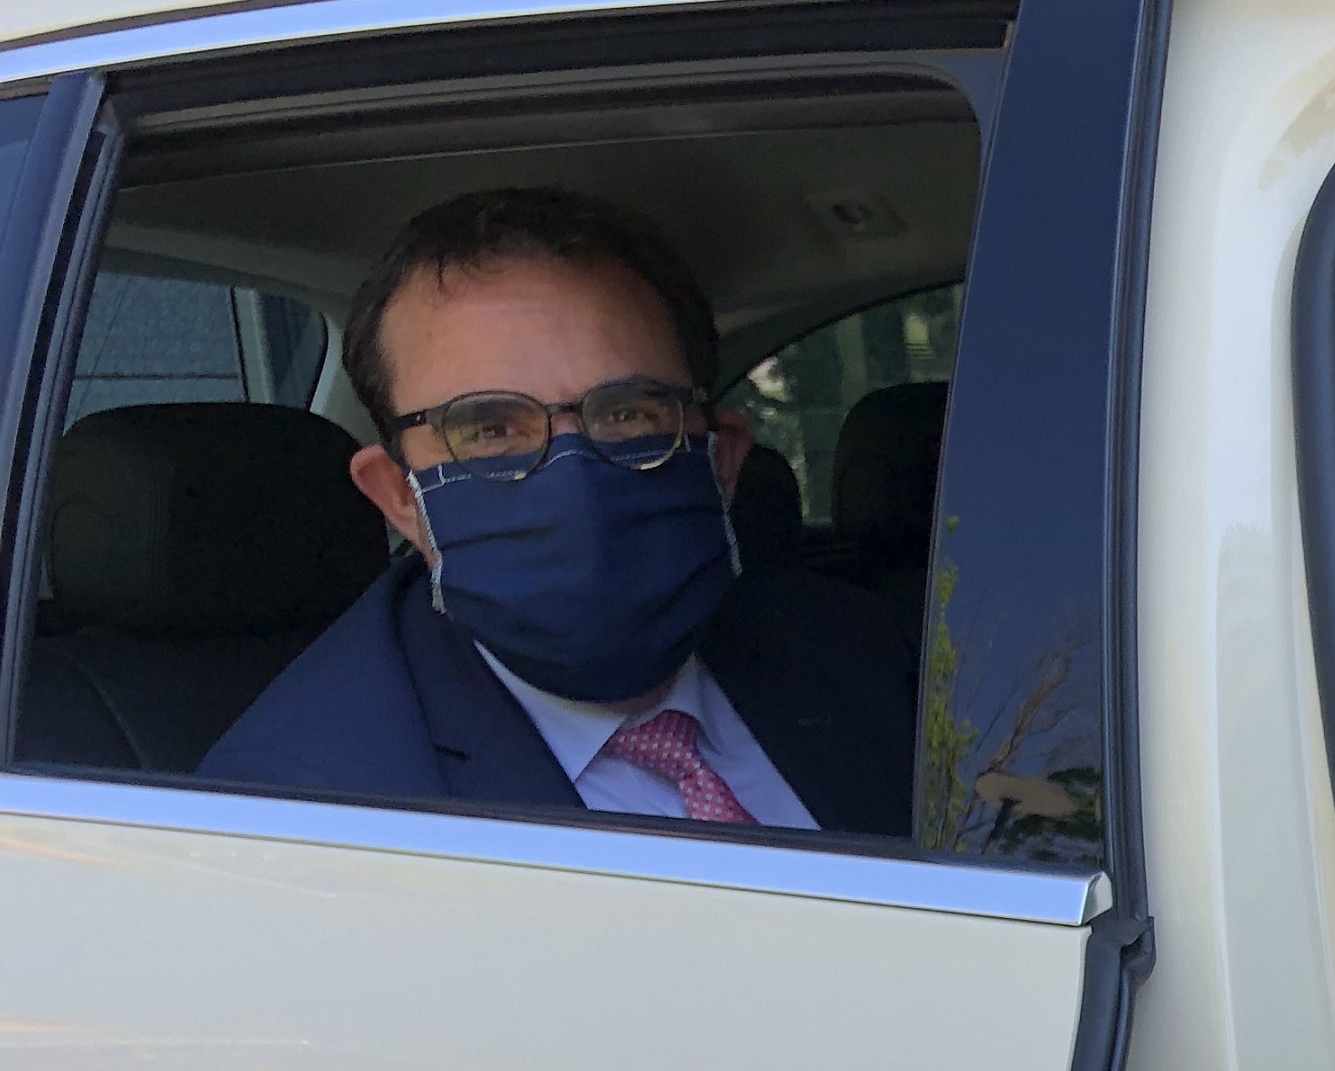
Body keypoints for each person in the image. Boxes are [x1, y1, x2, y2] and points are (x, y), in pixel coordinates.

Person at [203, 187, 913, 833]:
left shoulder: (869, 656)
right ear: (399, 498)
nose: (573, 474)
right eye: (489, 428)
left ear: (721, 460)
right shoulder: (308, 815)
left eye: (628, 413)